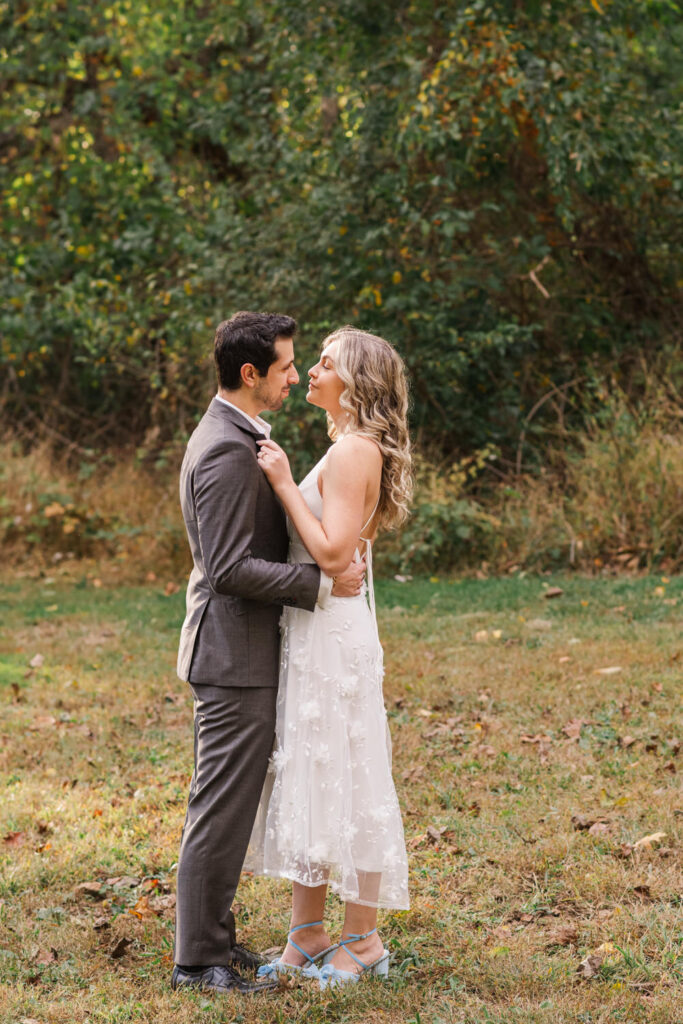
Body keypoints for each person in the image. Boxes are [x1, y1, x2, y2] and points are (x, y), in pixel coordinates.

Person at [172, 311, 365, 997]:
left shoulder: (239, 432)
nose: (293, 375)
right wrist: (319, 582)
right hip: (231, 657)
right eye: (285, 366)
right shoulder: (226, 446)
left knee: (230, 805)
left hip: (245, 653)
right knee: (220, 809)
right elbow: (227, 567)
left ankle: (217, 943)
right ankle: (199, 963)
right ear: (250, 374)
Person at [246, 325, 412, 989]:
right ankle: (307, 932)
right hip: (312, 629)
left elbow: (336, 555)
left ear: (355, 382)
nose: (308, 372)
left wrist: (285, 483)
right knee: (312, 770)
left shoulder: (352, 453)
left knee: (350, 773)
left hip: (335, 632)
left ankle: (363, 940)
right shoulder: (345, 447)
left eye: (323, 363)